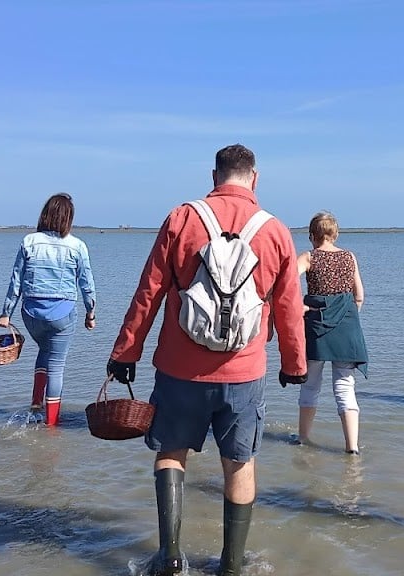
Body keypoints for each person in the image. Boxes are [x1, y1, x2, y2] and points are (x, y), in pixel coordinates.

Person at [107, 144, 307, 576]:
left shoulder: (182, 218)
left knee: (170, 453)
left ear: (214, 176)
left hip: (179, 369)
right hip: (244, 372)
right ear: (254, 178)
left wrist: (126, 352)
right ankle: (232, 566)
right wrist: (295, 364)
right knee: (239, 464)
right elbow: (289, 305)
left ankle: (171, 558)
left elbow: (151, 291)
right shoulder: (274, 230)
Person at [0, 193, 96, 427]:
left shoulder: (29, 241)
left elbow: (16, 281)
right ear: (68, 218)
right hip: (62, 315)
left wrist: (5, 314)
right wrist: (91, 313)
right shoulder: (77, 245)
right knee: (57, 365)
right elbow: (87, 284)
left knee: (43, 349)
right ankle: (51, 424)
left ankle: (35, 404)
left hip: (31, 314)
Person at [295, 211, 368, 454]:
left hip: (316, 325)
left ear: (312, 235)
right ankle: (352, 447)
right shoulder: (349, 257)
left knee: (310, 385)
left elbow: (284, 283)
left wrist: (301, 307)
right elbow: (359, 296)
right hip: (347, 326)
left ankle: (303, 440)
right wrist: (344, 315)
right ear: (334, 234)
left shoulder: (309, 257)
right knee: (345, 386)